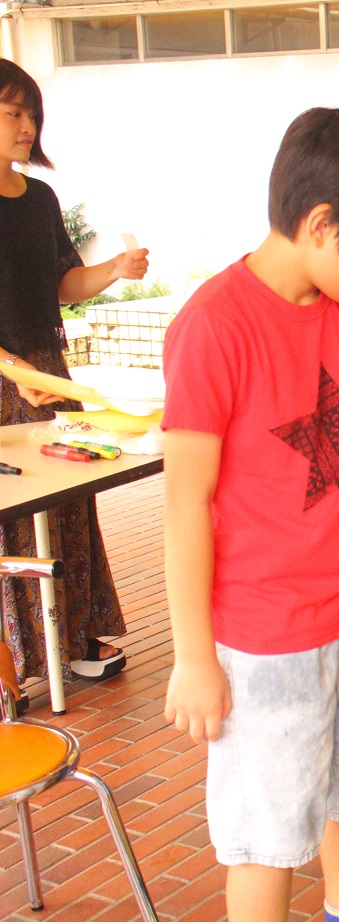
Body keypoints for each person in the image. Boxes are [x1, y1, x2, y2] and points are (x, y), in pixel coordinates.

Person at [161, 107, 339, 922]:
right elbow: (183, 507)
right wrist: (192, 658)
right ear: (322, 224)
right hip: (260, 639)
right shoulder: (213, 326)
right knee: (267, 836)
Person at [0, 59, 149, 688]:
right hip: (7, 376)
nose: (27, 125)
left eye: (31, 112)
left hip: (50, 374)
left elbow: (62, 284)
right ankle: (20, 663)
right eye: (13, 112)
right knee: (14, 518)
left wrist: (114, 268)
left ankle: (76, 637)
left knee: (72, 505)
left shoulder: (39, 199)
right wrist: (11, 371)